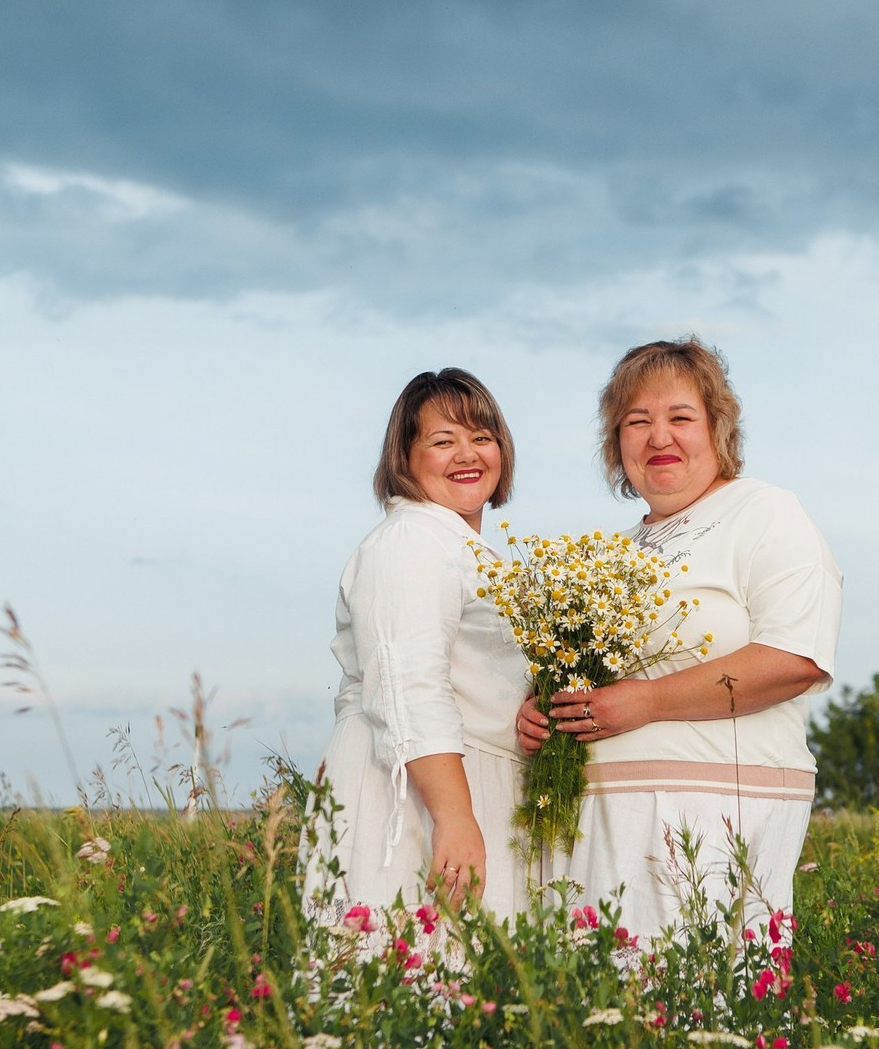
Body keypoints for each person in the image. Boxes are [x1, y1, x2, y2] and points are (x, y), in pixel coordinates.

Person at [518, 337, 842, 939]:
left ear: (719, 429)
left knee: (698, 1011)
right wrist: (542, 713)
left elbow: (795, 658)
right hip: (594, 830)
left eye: (680, 417)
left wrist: (646, 700)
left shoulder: (764, 512)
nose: (658, 438)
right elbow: (586, 683)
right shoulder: (615, 553)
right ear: (616, 446)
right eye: (636, 421)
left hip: (710, 820)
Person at [302, 368, 530, 935]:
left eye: (481, 437)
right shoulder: (412, 540)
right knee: (411, 982)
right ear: (405, 457)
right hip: (415, 789)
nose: (467, 454)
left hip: (458, 779)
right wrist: (453, 817)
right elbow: (409, 686)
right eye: (442, 440)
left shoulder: (459, 546)